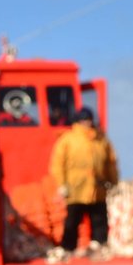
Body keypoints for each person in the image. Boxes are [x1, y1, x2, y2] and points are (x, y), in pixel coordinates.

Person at [49, 107, 120, 251]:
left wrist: (113, 182)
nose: (87, 123)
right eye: (83, 120)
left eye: (88, 120)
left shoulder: (101, 139)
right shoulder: (68, 139)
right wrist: (62, 184)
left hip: (97, 188)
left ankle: (100, 246)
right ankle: (68, 248)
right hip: (76, 189)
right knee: (72, 220)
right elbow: (57, 164)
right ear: (77, 121)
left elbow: (110, 163)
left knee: (99, 219)